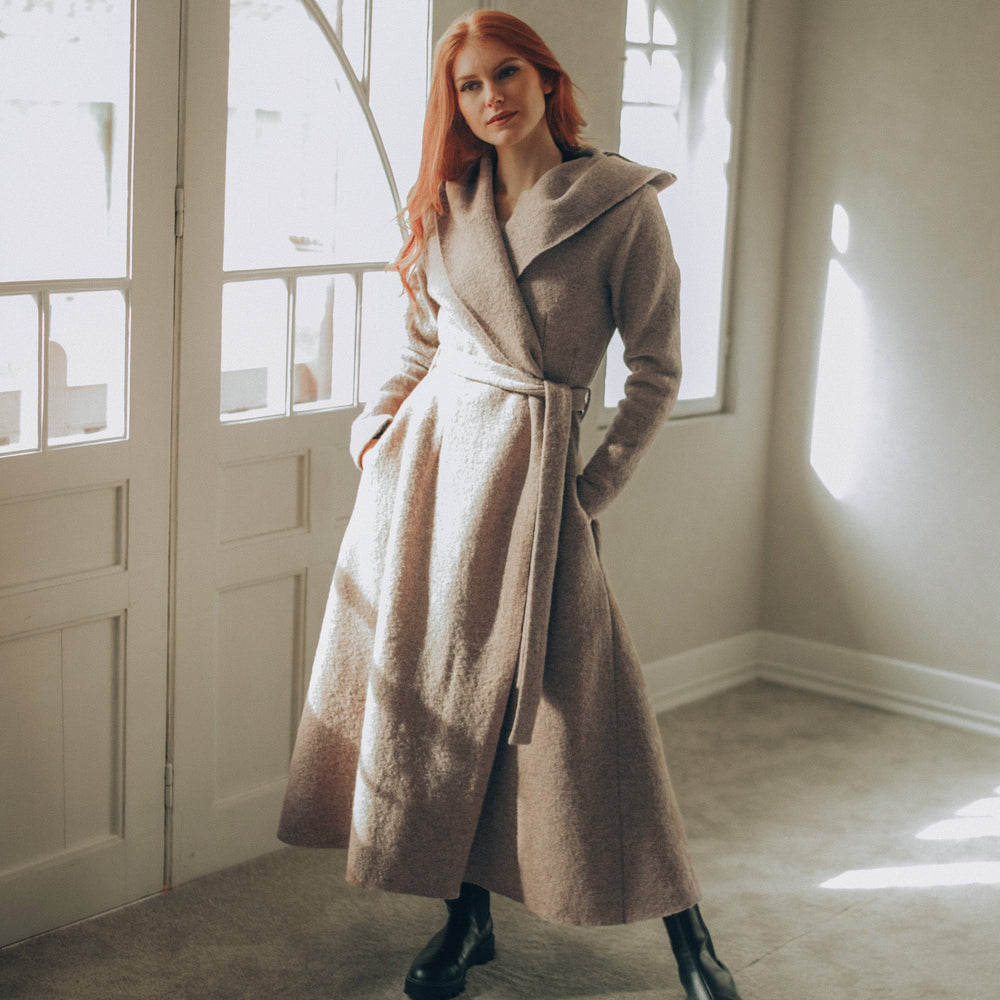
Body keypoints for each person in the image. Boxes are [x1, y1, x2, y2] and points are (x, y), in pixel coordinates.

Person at [278, 10, 743, 1000]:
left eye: (507, 74)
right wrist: (375, 425)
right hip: (429, 481)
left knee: (594, 717)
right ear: (455, 104)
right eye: (470, 85)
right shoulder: (448, 206)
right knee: (445, 707)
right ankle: (466, 920)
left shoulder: (619, 205)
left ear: (546, 79)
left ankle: (690, 939)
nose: (491, 97)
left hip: (538, 487)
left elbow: (656, 370)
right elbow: (422, 339)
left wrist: (591, 488)